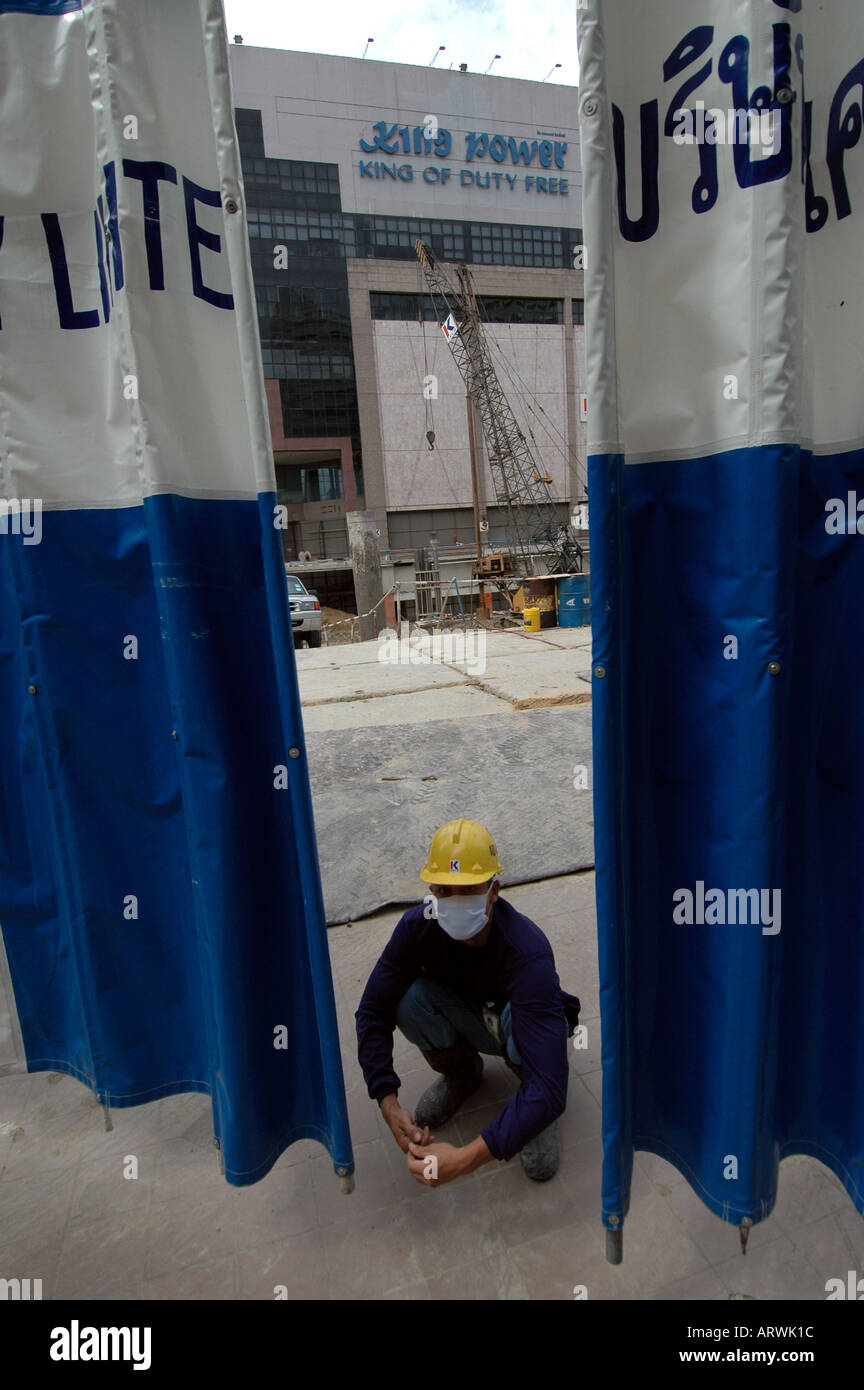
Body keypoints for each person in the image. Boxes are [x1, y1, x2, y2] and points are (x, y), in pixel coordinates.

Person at [355, 818, 580, 1187]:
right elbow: (372, 1011)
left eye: (470, 889)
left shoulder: (527, 953)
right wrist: (387, 1100)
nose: (455, 902)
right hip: (472, 1015)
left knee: (535, 1059)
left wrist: (461, 1160)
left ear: (494, 890)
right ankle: (462, 1074)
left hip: (514, 1024)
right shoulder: (417, 929)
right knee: (407, 1001)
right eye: (445, 890)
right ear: (430, 889)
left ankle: (532, 1108)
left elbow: (552, 1086)